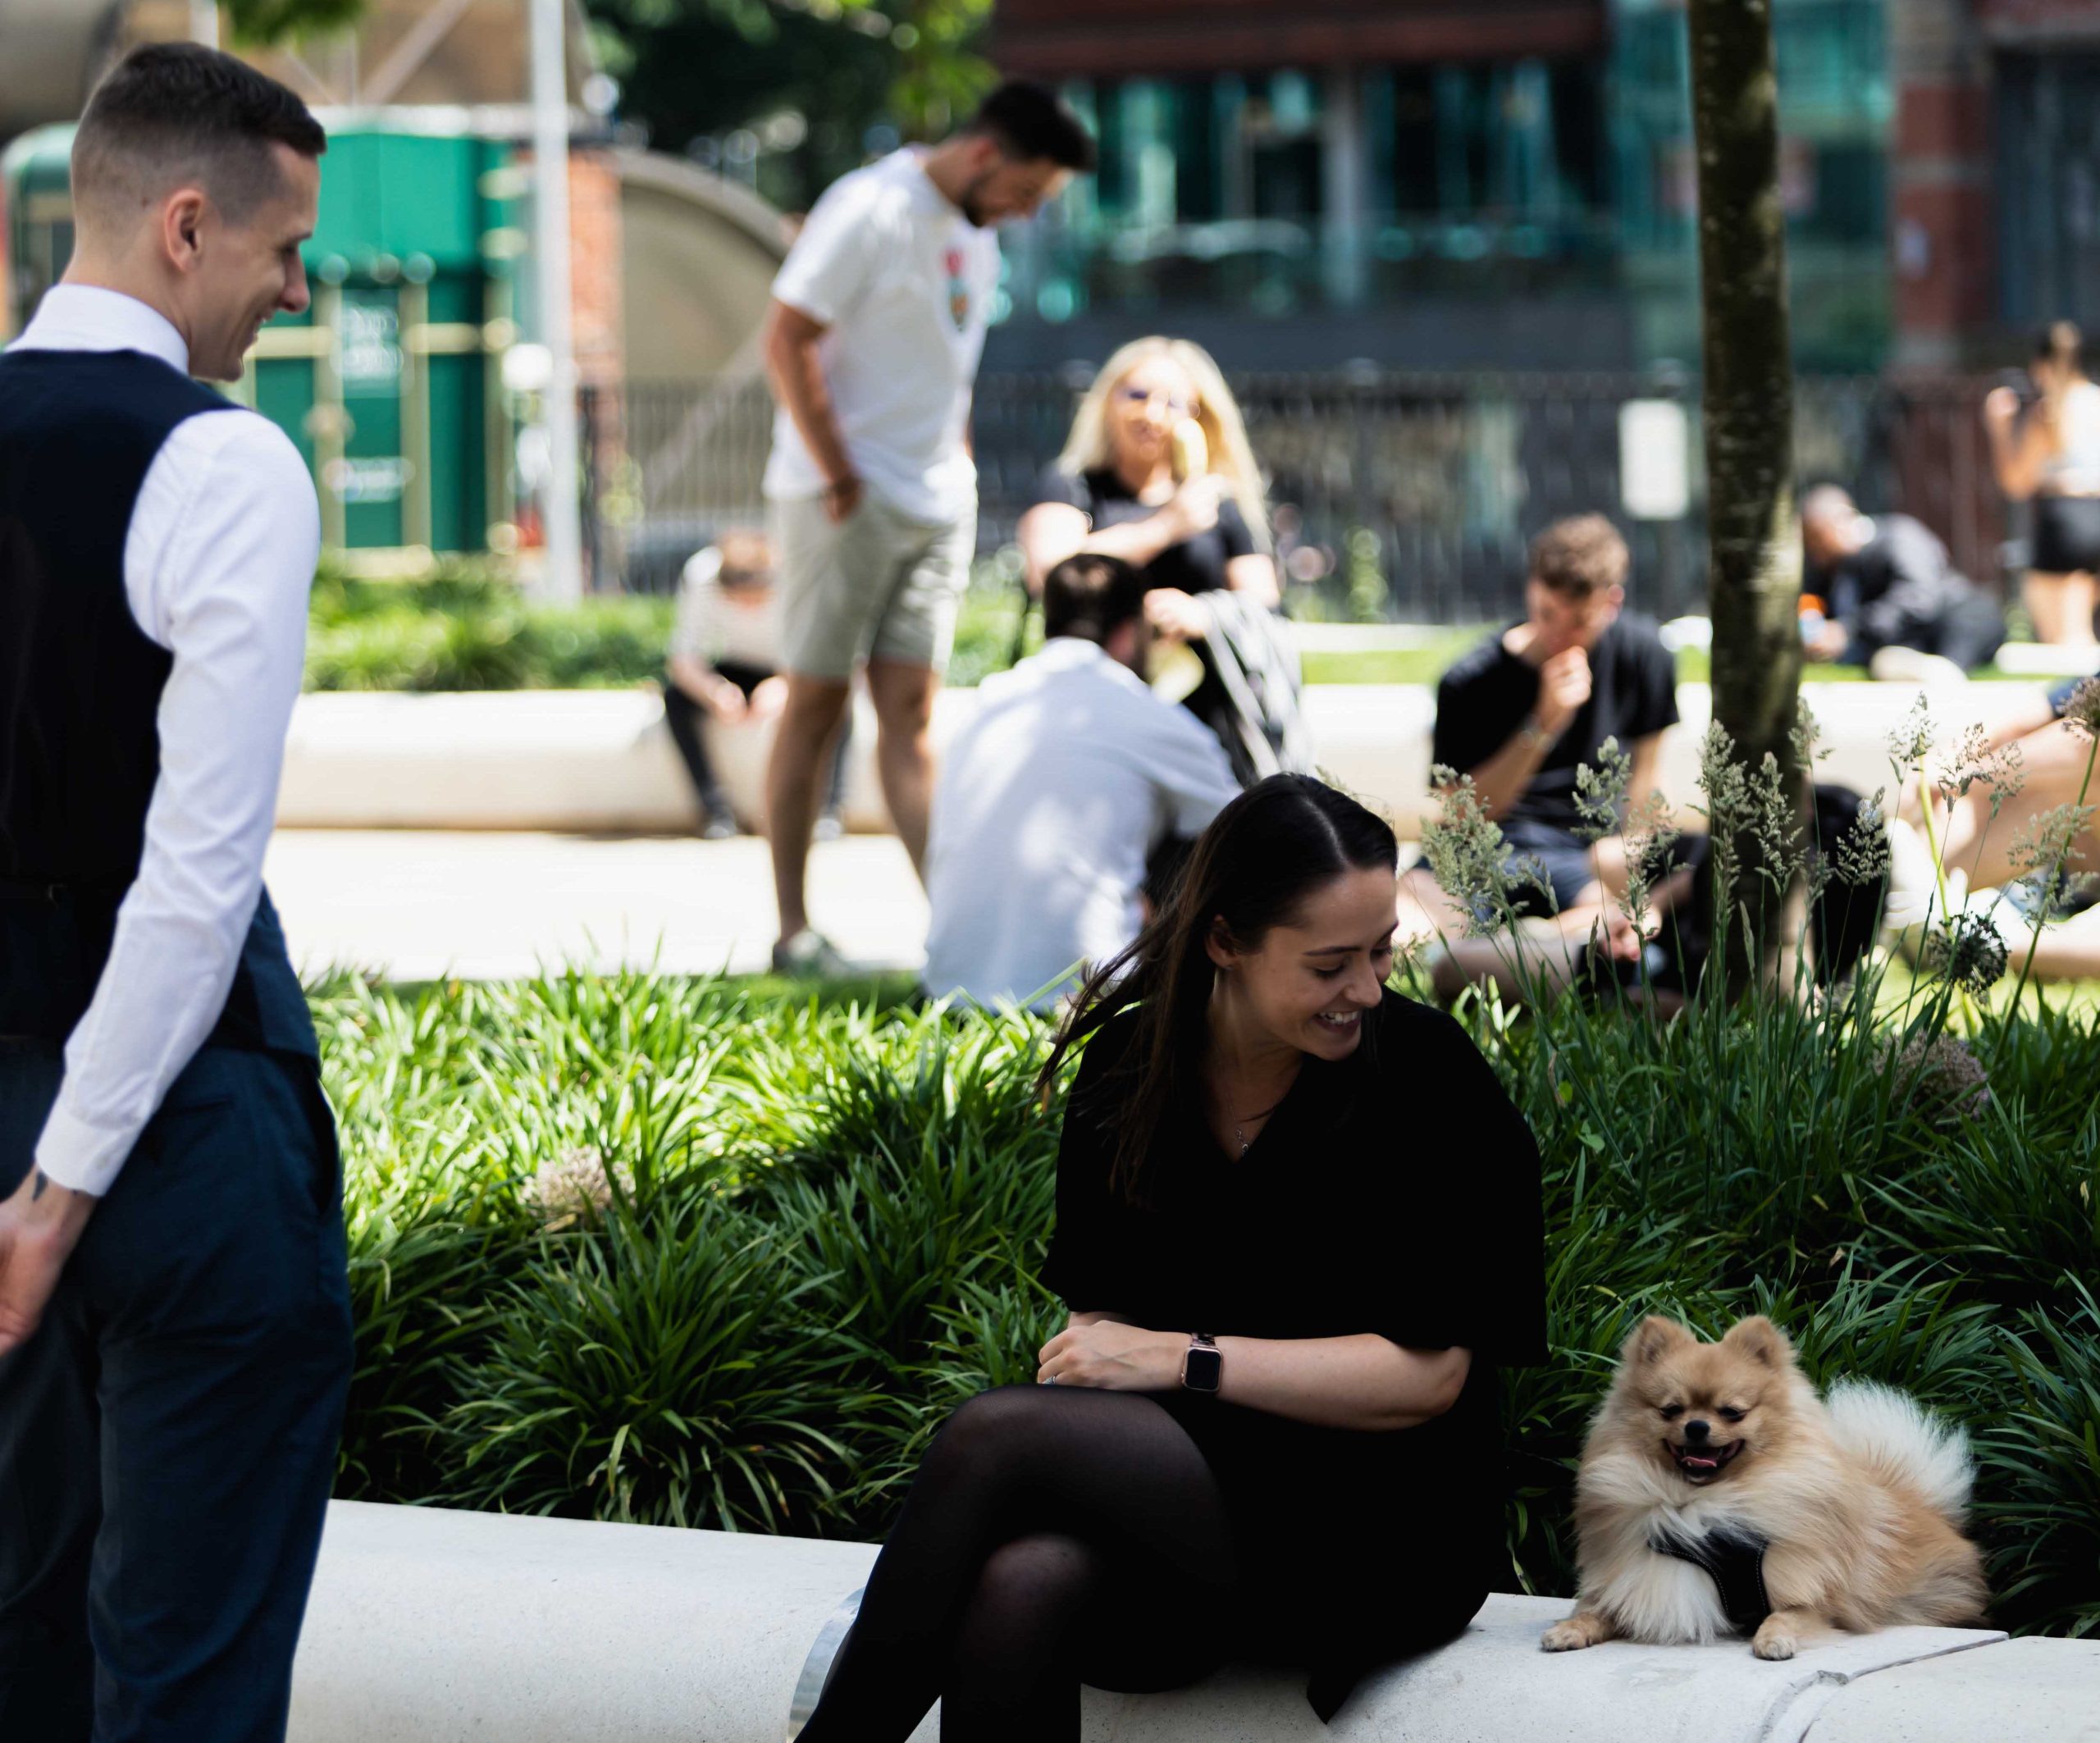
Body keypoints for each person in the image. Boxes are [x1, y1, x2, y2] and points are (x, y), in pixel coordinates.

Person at [790, 776, 1546, 1740]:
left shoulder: (1430, 1082)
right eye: (1328, 965)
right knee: (1020, 1586)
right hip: (1186, 1512)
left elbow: (1428, 1379)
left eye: (1380, 951)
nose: (1365, 989)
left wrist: (1183, 1356)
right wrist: (1127, 1360)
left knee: (996, 1436)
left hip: (1379, 1527)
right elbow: (1097, 1328)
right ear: (1224, 941)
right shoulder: (1128, 1069)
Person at [0, 44, 350, 1741]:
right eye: (289, 249)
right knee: (189, 1686)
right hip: (177, 1137)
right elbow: (191, 878)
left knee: (19, 1655)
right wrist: (62, 1190)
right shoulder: (223, 463)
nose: (300, 287)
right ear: (189, 227)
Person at [761, 82, 1096, 976]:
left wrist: (958, 471)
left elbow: (947, 370)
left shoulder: (972, 235)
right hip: (844, 499)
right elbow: (785, 335)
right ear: (986, 154)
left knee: (911, 717)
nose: (1022, 215)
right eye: (1023, 192)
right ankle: (793, 932)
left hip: (934, 502)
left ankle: (960, 930)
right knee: (817, 707)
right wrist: (839, 471)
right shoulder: (870, 208)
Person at [921, 554, 1239, 1009]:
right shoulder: (1150, 715)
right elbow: (1248, 828)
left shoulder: (985, 704)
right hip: (1093, 993)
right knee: (1218, 838)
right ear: (1131, 631)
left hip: (949, 989)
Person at [1415, 514, 1681, 919]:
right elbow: (1462, 816)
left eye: (1579, 621)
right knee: (1409, 905)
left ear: (1611, 603)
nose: (1559, 633)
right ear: (1530, 591)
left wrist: (1633, 842)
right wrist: (1543, 724)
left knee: (1695, 873)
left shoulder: (1645, 657)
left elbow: (1646, 782)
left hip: (1588, 851)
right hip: (1489, 845)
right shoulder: (1469, 679)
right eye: (1545, 612)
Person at [662, 529, 848, 842]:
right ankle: (716, 811)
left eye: (757, 598)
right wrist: (713, 691)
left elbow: (828, 651)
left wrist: (785, 685)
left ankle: (827, 810)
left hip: (794, 669)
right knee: (675, 700)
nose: (750, 608)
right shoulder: (700, 576)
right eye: (740, 600)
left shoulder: (798, 575)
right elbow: (683, 657)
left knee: (838, 699)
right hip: (735, 666)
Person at [1800, 486, 2006, 679]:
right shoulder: (1833, 569)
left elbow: (1919, 598)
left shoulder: (1899, 536)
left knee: (1943, 668)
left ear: (1841, 520)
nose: (1816, 551)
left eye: (1818, 538)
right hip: (1913, 642)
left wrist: (1848, 630)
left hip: (1959, 621)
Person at [1985, 322, 2100, 648]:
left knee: (2064, 639)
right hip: (2096, 513)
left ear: (2039, 365)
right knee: (2083, 631)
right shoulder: (2096, 400)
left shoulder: (2049, 412)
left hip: (2065, 518)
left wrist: (2000, 428)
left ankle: (2070, 700)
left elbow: (2016, 483)